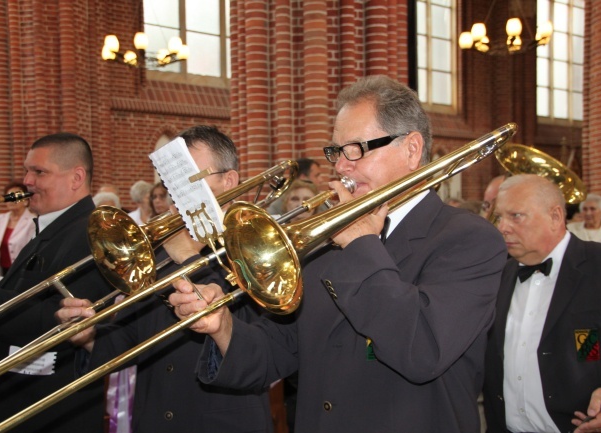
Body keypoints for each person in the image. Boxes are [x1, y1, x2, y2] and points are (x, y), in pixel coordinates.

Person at [170, 75, 507, 433]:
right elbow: (281, 348)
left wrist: (362, 245)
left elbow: (423, 350)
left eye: (357, 149)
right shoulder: (330, 241)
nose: (341, 166)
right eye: (336, 151)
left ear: (411, 149)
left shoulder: (468, 239)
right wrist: (223, 327)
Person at [55, 125, 273, 433]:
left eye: (191, 178)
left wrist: (189, 258)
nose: (177, 193)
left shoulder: (260, 247)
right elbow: (130, 337)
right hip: (155, 418)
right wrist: (89, 336)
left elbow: (260, 344)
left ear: (229, 180)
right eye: (172, 182)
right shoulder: (160, 251)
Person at [0, 133, 113, 433]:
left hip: (50, 413)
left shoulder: (91, 233)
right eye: (27, 170)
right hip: (19, 402)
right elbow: (28, 297)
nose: (27, 181)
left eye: (39, 172)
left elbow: (70, 321)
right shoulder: (53, 228)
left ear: (76, 177)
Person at [483, 174, 601, 433]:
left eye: (516, 216)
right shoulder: (494, 276)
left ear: (555, 216)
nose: (503, 227)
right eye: (500, 217)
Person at [0, 181, 36, 277]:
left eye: (14, 196)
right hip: (1, 271)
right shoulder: (0, 219)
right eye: (8, 197)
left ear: (26, 200)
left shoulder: (32, 221)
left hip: (21, 271)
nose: (11, 200)